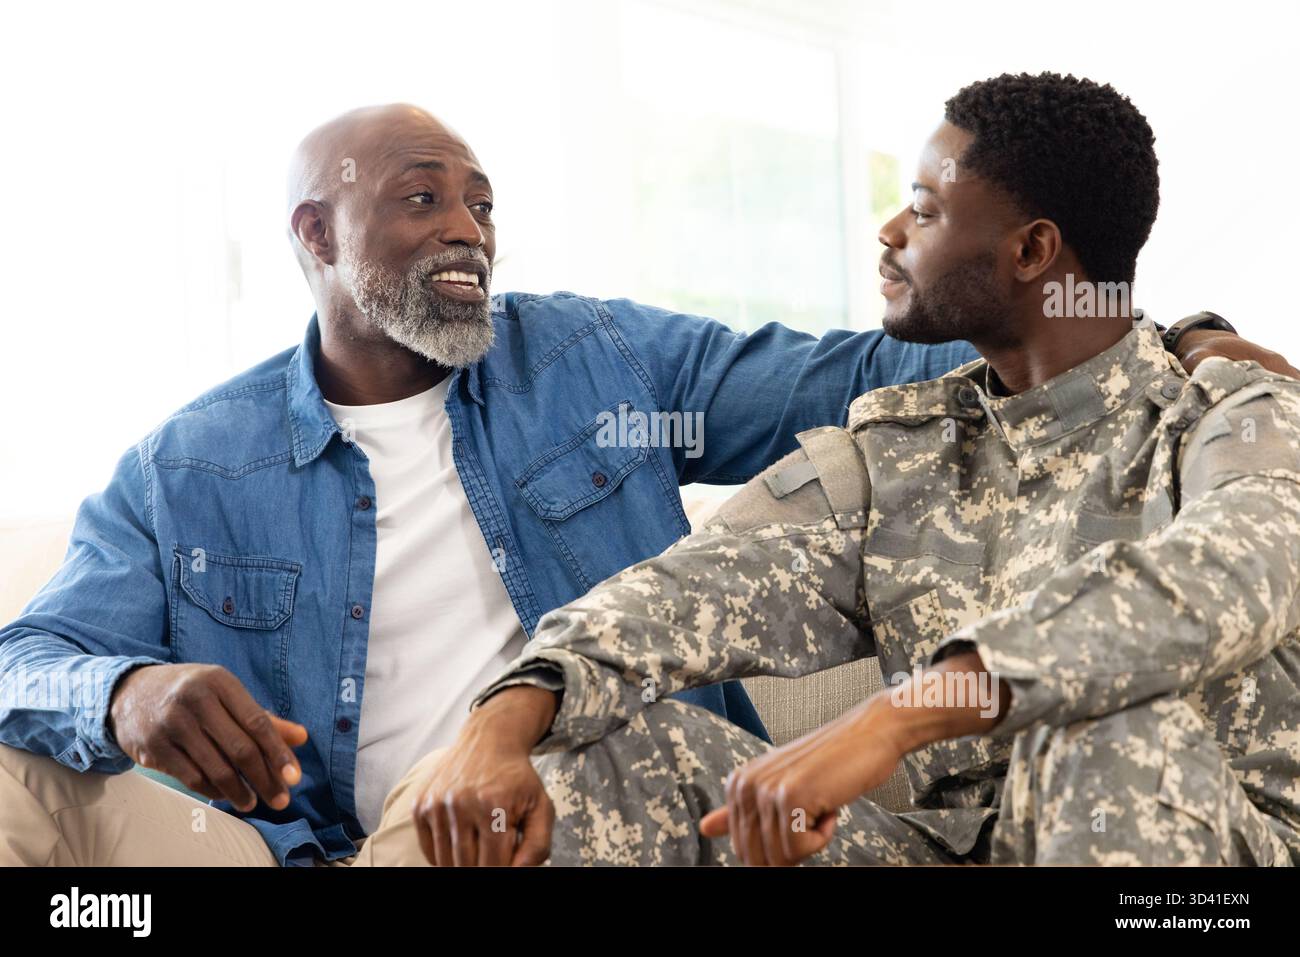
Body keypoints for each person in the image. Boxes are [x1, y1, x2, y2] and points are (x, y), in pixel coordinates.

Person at [416, 72, 1300, 867]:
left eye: (923, 208)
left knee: (1106, 734)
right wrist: (510, 710)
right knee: (600, 757)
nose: (888, 230)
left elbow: (1228, 577)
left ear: (1031, 253)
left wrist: (897, 718)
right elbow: (690, 589)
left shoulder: (1234, 414)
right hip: (960, 849)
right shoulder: (906, 452)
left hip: (1202, 860)